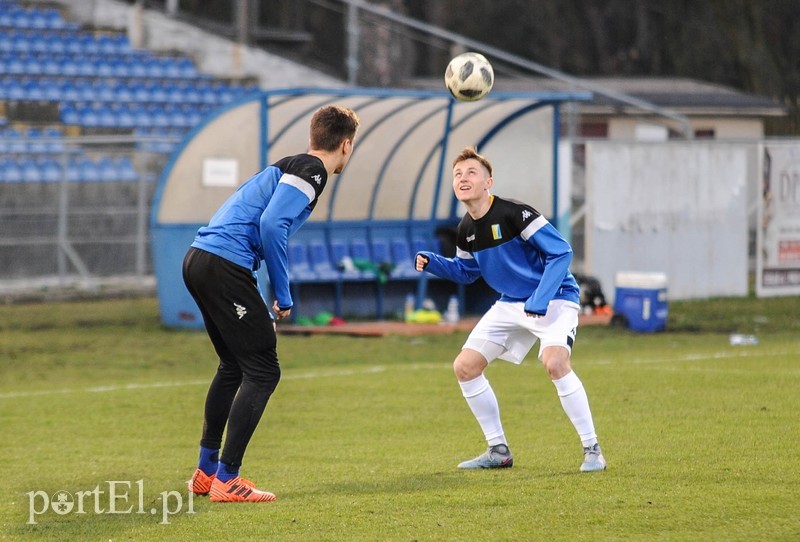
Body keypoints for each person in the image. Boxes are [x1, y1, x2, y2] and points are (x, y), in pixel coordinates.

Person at [183, 105, 360, 502]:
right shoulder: (313, 170)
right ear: (346, 145)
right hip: (224, 263)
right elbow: (271, 224)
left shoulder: (291, 164)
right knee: (263, 371)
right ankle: (228, 480)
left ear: (314, 134)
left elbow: (260, 222)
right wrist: (283, 294)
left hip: (199, 258)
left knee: (234, 366)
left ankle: (205, 472)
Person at [414, 146, 606, 472]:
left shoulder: (514, 213)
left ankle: (592, 450)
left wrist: (541, 298)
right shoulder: (465, 229)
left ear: (489, 181)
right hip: (510, 303)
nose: (463, 178)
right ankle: (498, 450)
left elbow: (561, 253)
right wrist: (434, 263)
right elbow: (467, 272)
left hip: (555, 296)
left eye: (471, 172)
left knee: (555, 362)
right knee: (465, 367)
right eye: (457, 175)